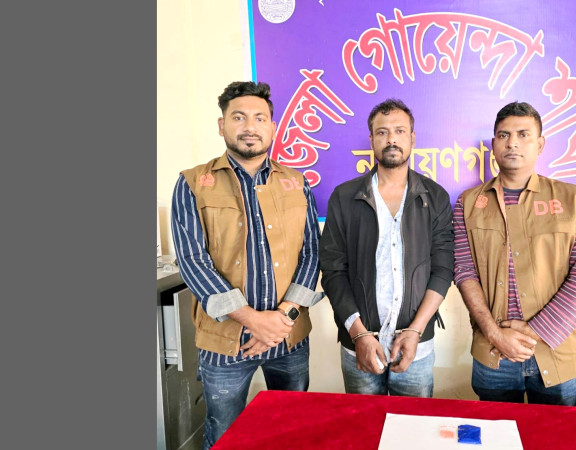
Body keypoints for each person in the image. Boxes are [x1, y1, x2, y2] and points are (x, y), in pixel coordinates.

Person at [171, 81, 323, 449]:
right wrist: (254, 320)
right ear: (221, 125)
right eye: (239, 117)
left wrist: (282, 318)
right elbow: (192, 261)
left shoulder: (296, 182)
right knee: (224, 434)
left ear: (272, 127)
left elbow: (312, 254)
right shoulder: (193, 183)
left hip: (288, 337)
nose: (250, 127)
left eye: (260, 118)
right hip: (223, 341)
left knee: (290, 432)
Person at [453, 101, 576, 406]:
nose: (513, 143)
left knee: (557, 432)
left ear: (540, 144)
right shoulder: (467, 204)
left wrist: (533, 332)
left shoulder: (573, 200)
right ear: (493, 144)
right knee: (494, 431)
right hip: (493, 352)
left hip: (555, 350)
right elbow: (464, 272)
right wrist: (495, 334)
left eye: (523, 134)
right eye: (504, 135)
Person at [319, 98, 454, 397]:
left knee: (414, 424)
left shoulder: (435, 197)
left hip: (416, 345)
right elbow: (333, 271)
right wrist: (359, 334)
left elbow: (443, 270)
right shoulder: (344, 197)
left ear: (412, 138)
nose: (391, 139)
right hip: (359, 345)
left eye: (399, 131)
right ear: (371, 140)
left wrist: (416, 330)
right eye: (382, 132)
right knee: (363, 423)